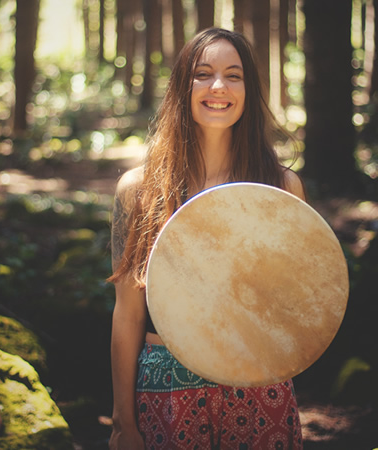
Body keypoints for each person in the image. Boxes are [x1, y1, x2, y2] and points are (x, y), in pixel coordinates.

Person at [108, 27, 305, 450]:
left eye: (234, 75)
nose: (219, 86)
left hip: (259, 386)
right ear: (183, 86)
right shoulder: (139, 190)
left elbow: (296, 307)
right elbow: (127, 315)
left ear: (249, 90)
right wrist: (123, 423)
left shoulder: (282, 188)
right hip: (166, 389)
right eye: (203, 73)